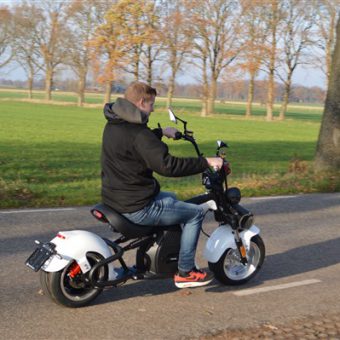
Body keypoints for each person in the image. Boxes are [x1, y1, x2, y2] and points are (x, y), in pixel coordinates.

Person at [101, 81, 222, 288]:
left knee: (172, 198)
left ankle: (161, 252)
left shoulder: (115, 123)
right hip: (137, 206)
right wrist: (206, 162)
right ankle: (186, 271)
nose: (153, 108)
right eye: (151, 104)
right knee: (194, 213)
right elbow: (168, 166)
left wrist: (159, 133)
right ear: (141, 102)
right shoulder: (139, 134)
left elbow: (134, 143)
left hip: (115, 197)